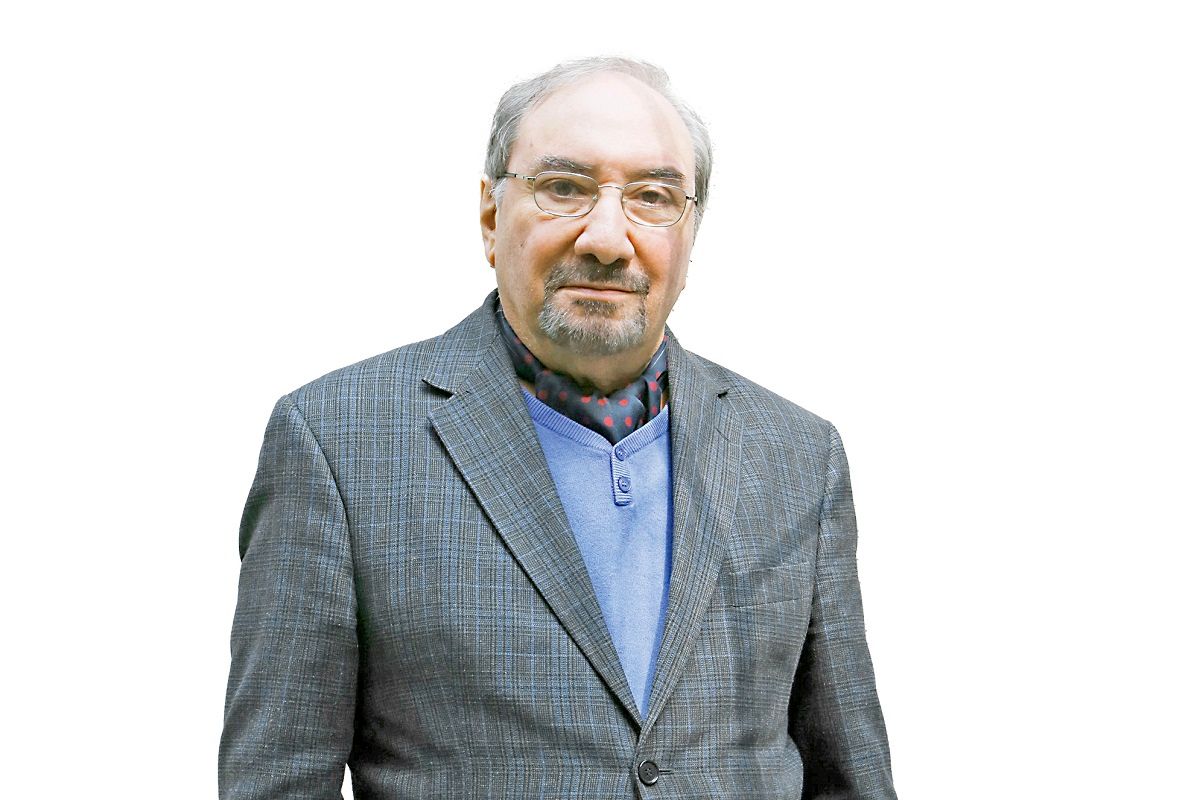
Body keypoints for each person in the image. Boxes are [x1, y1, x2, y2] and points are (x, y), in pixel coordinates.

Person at [220, 56, 897, 800]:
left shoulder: (798, 456)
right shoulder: (337, 443)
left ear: (691, 233)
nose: (608, 239)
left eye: (653, 197)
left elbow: (851, 781)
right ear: (490, 216)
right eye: (565, 188)